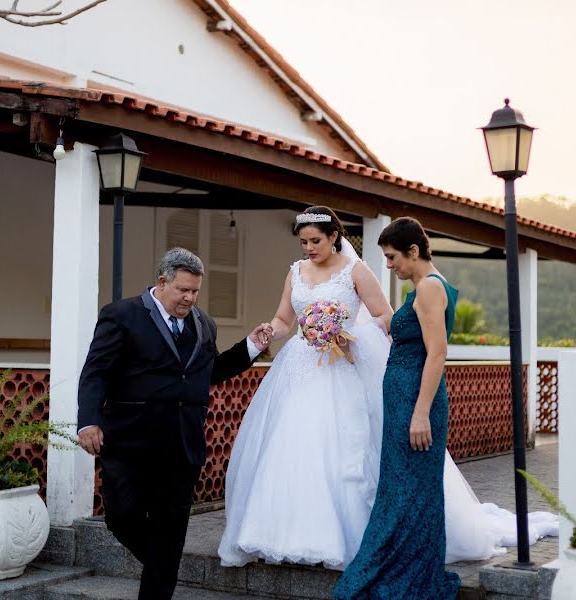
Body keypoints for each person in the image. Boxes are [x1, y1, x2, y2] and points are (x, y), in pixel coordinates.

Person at [219, 211, 558, 573]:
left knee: (341, 452)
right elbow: (286, 320)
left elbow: (386, 317)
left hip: (341, 367)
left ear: (334, 236)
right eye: (303, 242)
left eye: (315, 240)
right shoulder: (295, 272)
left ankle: (344, 539)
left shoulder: (356, 271)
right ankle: (279, 536)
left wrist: (345, 334)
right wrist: (269, 331)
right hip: (299, 368)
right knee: (291, 448)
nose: (309, 248)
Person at [76, 247, 272, 600]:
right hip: (130, 440)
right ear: (162, 282)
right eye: (183, 290)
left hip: (183, 443)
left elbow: (208, 372)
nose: (190, 298)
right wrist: (89, 421)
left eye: (195, 291)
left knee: (171, 529)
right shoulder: (121, 315)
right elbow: (96, 372)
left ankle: (159, 580)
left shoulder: (204, 324)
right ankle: (162, 561)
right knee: (121, 517)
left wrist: (250, 348)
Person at [334, 216, 462, 599]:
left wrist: (421, 413)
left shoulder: (429, 290)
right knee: (404, 488)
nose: (389, 266)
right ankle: (404, 566)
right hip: (405, 400)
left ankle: (407, 575)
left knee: (410, 491)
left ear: (413, 251)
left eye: (392, 258)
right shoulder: (424, 289)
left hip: (416, 403)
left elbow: (437, 354)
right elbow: (407, 332)